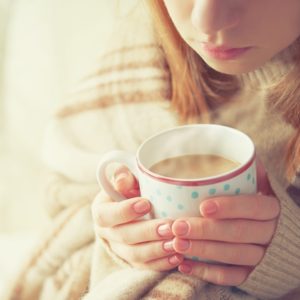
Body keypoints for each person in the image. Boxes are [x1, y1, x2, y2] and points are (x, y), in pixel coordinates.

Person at [4, 0, 300, 299]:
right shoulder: (149, 41)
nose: (205, 21)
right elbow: (64, 203)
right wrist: (118, 237)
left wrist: (290, 257)